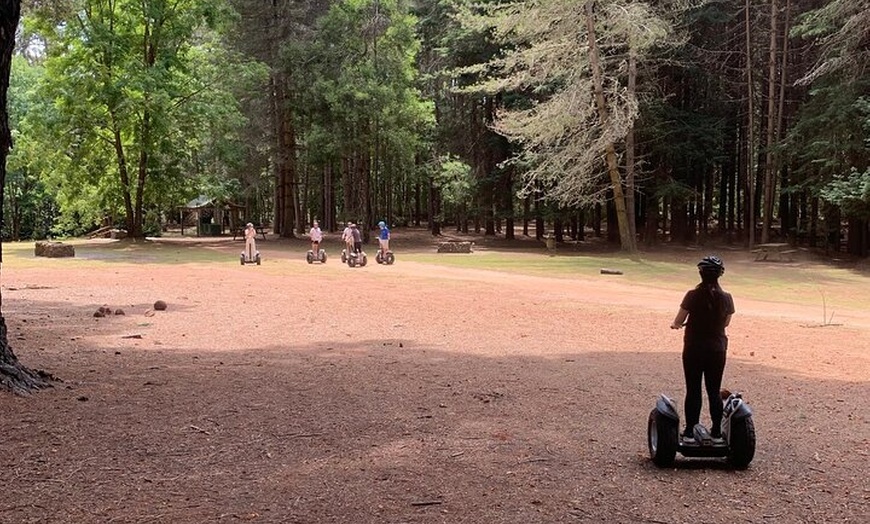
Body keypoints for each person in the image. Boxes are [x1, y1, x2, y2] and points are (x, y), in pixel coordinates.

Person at [670, 255, 735, 441]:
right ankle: (715, 431)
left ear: (700, 273)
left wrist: (675, 325)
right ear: (720, 275)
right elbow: (726, 323)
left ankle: (690, 430)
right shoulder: (727, 298)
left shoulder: (691, 295)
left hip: (694, 348)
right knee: (714, 390)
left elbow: (679, 320)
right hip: (717, 349)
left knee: (693, 389)